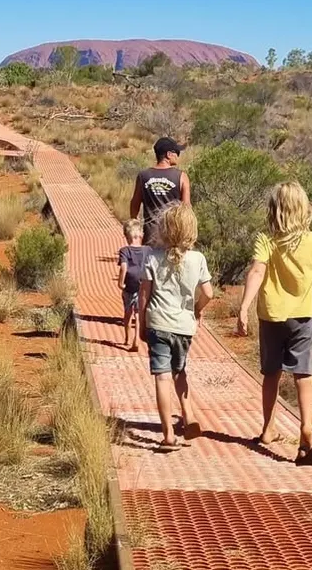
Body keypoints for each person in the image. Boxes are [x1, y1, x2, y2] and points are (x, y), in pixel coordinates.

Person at [237, 181, 312, 466]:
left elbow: (256, 272)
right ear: (304, 208)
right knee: (303, 374)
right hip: (302, 316)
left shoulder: (266, 240)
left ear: (275, 209)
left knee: (271, 374)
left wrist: (243, 307)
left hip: (271, 316)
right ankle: (306, 427)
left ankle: (268, 428)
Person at [138, 203, 213, 452]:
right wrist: (197, 309)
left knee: (162, 377)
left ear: (164, 229)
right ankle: (188, 415)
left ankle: (168, 434)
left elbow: (143, 296)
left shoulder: (152, 257)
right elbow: (209, 293)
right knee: (179, 372)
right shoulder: (198, 259)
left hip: (158, 323)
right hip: (184, 326)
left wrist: (142, 323)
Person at [130, 137, 191, 245]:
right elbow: (186, 209)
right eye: (176, 152)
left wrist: (136, 227)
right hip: (172, 238)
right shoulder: (181, 177)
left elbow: (134, 205)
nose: (178, 156)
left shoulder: (143, 176)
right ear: (168, 154)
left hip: (150, 237)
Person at [117, 219, 148, 352]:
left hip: (129, 286)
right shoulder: (148, 250)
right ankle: (137, 338)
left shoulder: (124, 251)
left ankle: (127, 338)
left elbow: (123, 267)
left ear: (126, 236)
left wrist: (120, 282)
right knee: (139, 314)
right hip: (143, 285)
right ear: (141, 235)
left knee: (128, 312)